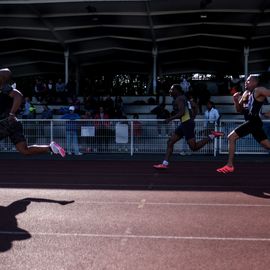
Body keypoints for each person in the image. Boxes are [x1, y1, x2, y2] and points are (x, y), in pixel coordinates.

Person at [153, 84, 224, 169]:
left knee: (194, 147)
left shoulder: (179, 99)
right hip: (185, 123)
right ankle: (164, 164)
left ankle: (212, 135)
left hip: (186, 124)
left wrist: (170, 119)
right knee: (170, 142)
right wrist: (192, 117)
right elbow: (195, 106)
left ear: (177, 90)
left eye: (172, 89)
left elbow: (182, 113)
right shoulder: (184, 98)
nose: (170, 91)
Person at [0, 68, 65, 157]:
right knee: (24, 150)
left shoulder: (4, 87)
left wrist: (12, 113)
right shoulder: (4, 89)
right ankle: (50, 147)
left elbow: (18, 96)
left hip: (6, 122)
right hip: (14, 123)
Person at [217, 74, 270, 174]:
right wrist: (235, 100)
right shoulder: (246, 93)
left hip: (253, 121)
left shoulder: (259, 90)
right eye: (246, 80)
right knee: (267, 145)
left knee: (231, 137)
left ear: (255, 82)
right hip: (251, 123)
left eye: (249, 80)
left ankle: (229, 165)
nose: (246, 82)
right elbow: (239, 110)